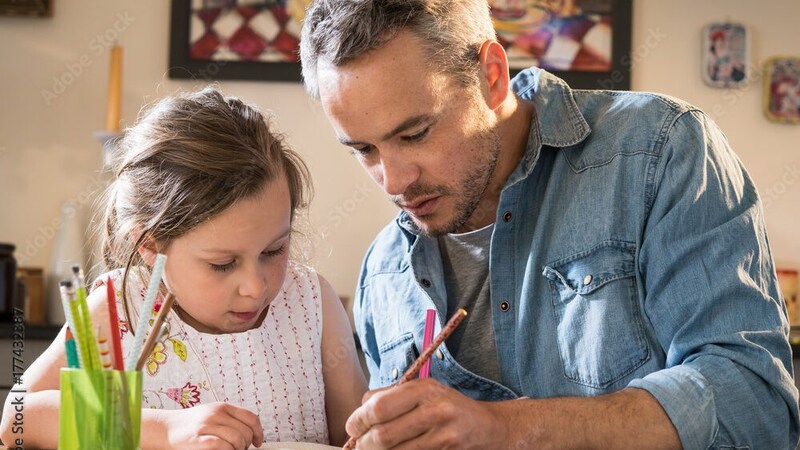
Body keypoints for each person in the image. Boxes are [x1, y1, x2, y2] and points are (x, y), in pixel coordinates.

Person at [299, 1, 800, 449]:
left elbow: (754, 404)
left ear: (491, 75)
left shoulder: (660, 151)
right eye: (363, 150)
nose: (394, 181)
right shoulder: (382, 274)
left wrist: (506, 430)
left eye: (414, 134)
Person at [0, 88, 367, 449]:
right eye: (222, 264)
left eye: (274, 250)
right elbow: (17, 420)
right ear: (149, 245)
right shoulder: (117, 311)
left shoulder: (312, 304)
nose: (255, 287)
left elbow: (355, 435)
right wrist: (164, 431)